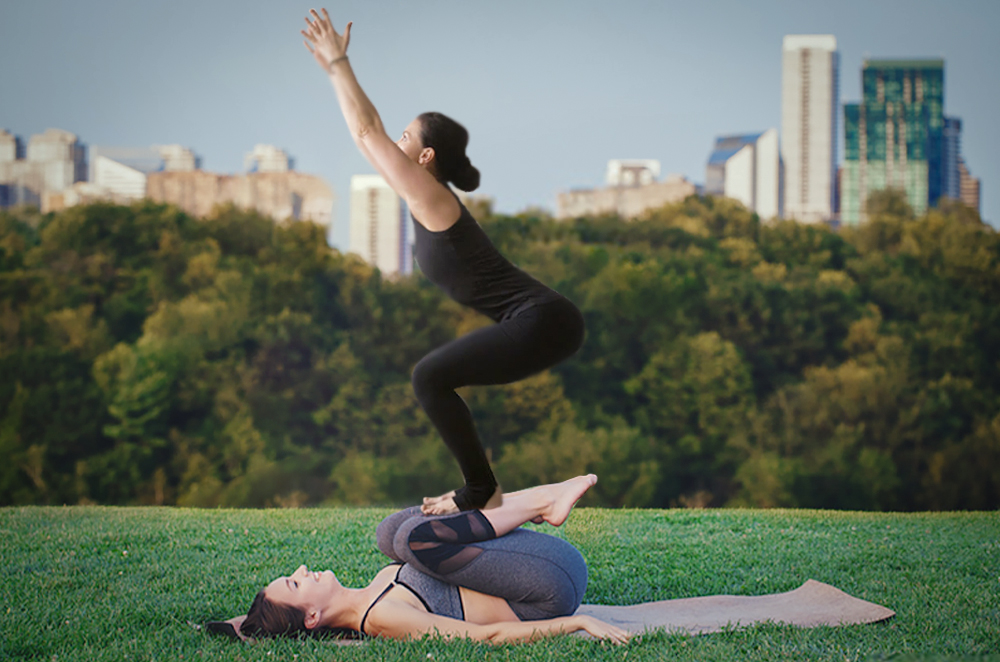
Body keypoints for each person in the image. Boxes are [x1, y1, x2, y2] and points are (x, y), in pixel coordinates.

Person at [301, 9, 586, 514]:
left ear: (427, 157)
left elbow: (369, 133)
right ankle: (491, 492)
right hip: (543, 321)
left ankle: (482, 491)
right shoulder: (423, 195)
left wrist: (341, 62)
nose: (397, 143)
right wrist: (331, 71)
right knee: (431, 377)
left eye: (407, 137)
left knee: (428, 377)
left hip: (545, 319)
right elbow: (363, 138)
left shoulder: (433, 197)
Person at [235, 474, 628, 643]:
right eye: (295, 583)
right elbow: (485, 637)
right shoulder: (381, 619)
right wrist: (575, 622)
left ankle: (540, 499)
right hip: (548, 589)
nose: (303, 571)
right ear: (311, 618)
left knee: (390, 535)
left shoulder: (372, 591)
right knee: (413, 540)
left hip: (538, 563)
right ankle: (543, 499)